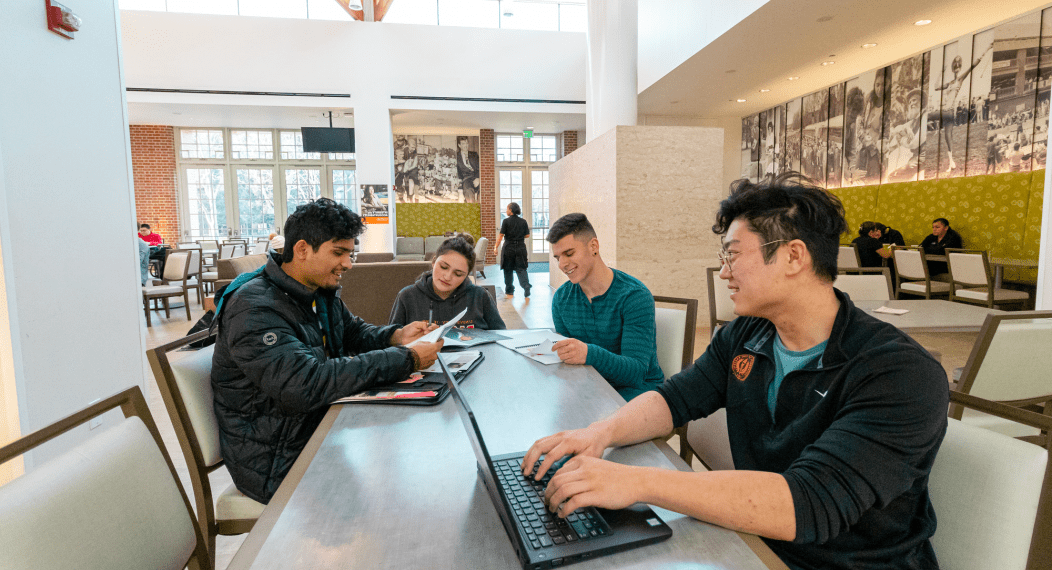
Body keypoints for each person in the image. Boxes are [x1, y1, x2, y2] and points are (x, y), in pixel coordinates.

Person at [522, 174, 948, 570]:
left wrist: (634, 482)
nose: (724, 271)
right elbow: (675, 399)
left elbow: (808, 504)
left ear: (793, 256)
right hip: (751, 540)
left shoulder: (899, 372)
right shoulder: (747, 334)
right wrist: (598, 434)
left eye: (733, 254)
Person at [210, 198, 444, 504]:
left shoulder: (316, 289)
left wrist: (397, 336)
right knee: (402, 487)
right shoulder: (253, 307)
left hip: (312, 430)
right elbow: (305, 384)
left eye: (350, 253)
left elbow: (353, 333)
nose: (348, 263)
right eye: (339, 252)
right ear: (303, 249)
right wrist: (408, 358)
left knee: (417, 456)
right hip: (274, 460)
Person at [546, 213, 664, 401]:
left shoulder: (635, 296)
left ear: (594, 246)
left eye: (569, 254)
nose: (562, 264)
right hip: (590, 389)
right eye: (557, 257)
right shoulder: (561, 299)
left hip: (638, 394)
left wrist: (587, 353)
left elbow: (636, 373)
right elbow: (570, 363)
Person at [389, 235, 506, 330]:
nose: (447, 277)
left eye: (458, 274)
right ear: (434, 262)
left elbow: (501, 337)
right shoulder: (407, 297)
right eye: (444, 267)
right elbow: (393, 342)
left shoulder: (480, 296)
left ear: (466, 275)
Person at [494, 203, 531, 298]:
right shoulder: (523, 221)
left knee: (508, 269)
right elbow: (527, 235)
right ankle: (526, 285)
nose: (506, 211)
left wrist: (496, 247)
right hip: (520, 247)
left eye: (507, 209)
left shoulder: (506, 221)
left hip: (508, 247)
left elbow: (501, 235)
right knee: (521, 268)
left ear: (511, 210)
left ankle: (509, 290)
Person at [455, 136, 480, 203]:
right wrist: (460, 188)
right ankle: (472, 209)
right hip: (466, 178)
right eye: (463, 143)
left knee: (483, 190)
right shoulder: (456, 156)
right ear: (459, 145)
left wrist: (478, 178)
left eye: (466, 143)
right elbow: (458, 172)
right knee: (468, 190)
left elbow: (479, 167)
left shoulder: (474, 154)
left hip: (477, 177)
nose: (466, 145)